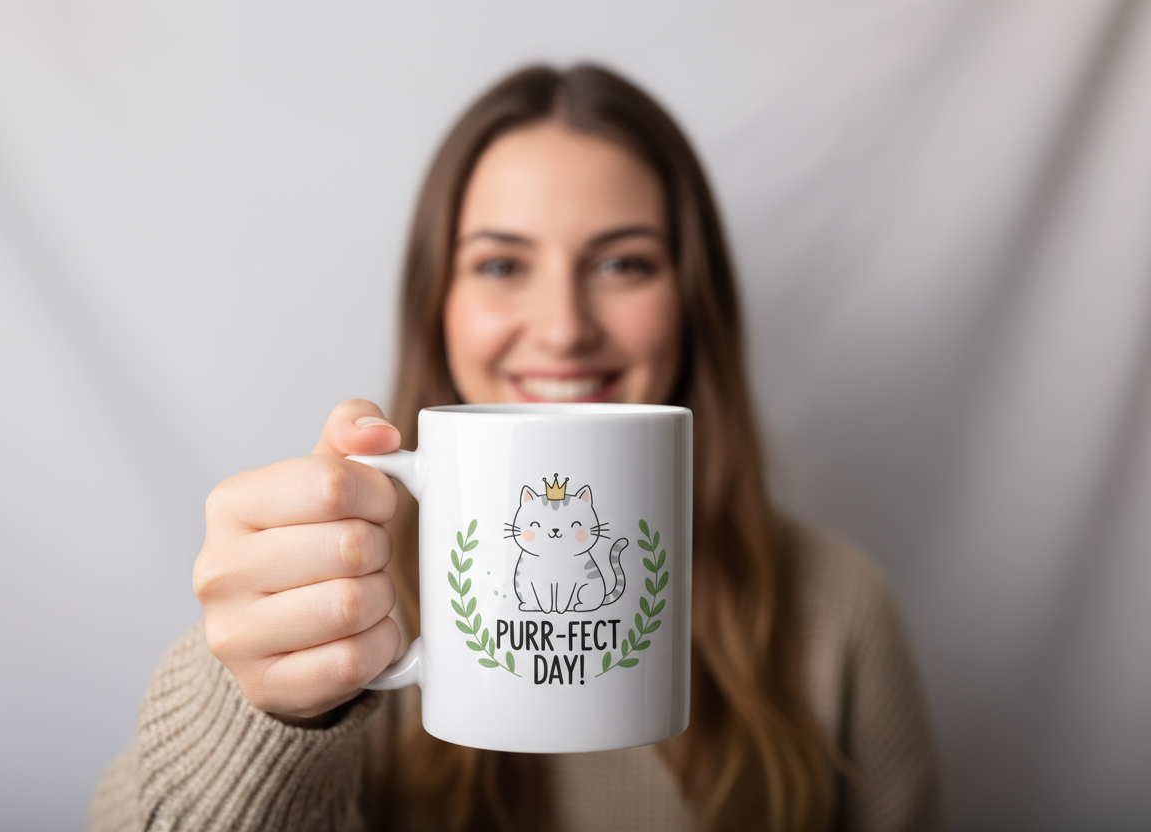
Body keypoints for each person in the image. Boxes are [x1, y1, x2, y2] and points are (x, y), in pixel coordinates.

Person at [89, 64, 941, 832]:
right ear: (439, 305)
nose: (565, 328)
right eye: (502, 266)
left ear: (693, 300)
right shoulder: (340, 603)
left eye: (623, 264)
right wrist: (261, 710)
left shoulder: (838, 614)